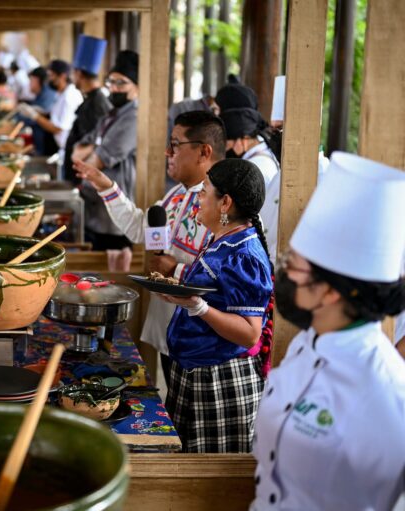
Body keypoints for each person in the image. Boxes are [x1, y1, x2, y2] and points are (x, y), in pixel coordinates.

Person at [251, 152, 405, 510]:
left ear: (330, 290)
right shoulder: (306, 345)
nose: (283, 273)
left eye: (293, 266)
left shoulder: (386, 393)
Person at [76, 111, 225, 385]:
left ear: (204, 152)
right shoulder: (178, 194)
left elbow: (225, 273)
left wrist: (176, 269)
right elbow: (140, 228)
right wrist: (105, 185)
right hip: (169, 326)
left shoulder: (223, 204)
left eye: (176, 144)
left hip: (202, 337)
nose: (168, 152)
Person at [158, 159, 273, 453]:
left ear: (225, 203)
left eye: (204, 191)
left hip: (220, 381)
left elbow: (250, 333)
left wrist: (197, 307)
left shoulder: (243, 253)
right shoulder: (223, 240)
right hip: (198, 372)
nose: (197, 198)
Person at [71, 50, 139, 271]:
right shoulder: (112, 114)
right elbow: (76, 152)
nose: (114, 87)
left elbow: (93, 164)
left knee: (109, 279)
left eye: (122, 83)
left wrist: (95, 150)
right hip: (94, 209)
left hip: (113, 217)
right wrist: (96, 148)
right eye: (111, 81)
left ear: (137, 86)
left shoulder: (134, 117)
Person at [219, 106, 281, 263]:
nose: (226, 148)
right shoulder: (261, 156)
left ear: (244, 139)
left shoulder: (256, 167)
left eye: (228, 142)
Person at [62, 35, 111, 184]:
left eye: (73, 73)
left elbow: (94, 141)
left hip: (83, 179)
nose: (72, 77)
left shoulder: (96, 104)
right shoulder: (91, 99)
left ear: (79, 74)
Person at [17, 59, 82, 170]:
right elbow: (55, 116)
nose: (49, 80)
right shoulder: (61, 94)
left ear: (62, 76)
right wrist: (41, 112)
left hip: (67, 149)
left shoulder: (69, 97)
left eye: (51, 76)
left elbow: (57, 128)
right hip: (59, 147)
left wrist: (35, 116)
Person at [20, 67, 57, 156]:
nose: (29, 84)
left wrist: (30, 114)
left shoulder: (48, 94)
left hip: (47, 147)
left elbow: (37, 119)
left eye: (31, 81)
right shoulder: (40, 94)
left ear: (37, 80)